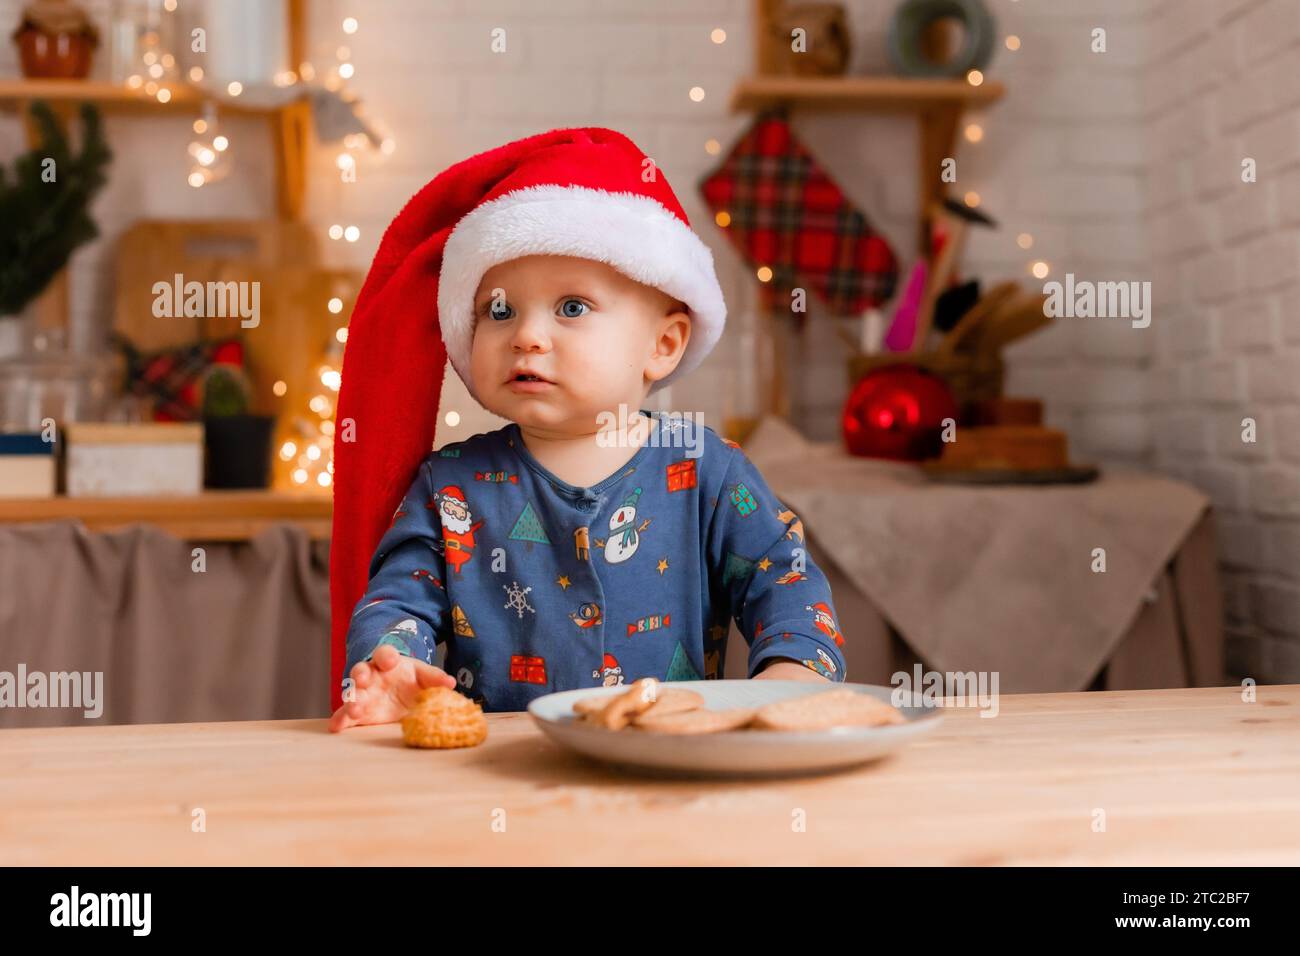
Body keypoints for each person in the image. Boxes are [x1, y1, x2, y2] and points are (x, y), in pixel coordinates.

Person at [328, 128, 847, 731]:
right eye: (500, 310)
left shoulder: (706, 468)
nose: (526, 335)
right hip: (503, 778)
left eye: (572, 307)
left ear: (663, 344)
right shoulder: (451, 487)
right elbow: (397, 600)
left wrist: (791, 671)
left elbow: (783, 579)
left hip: (666, 765)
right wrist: (387, 666)